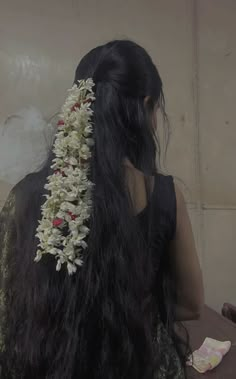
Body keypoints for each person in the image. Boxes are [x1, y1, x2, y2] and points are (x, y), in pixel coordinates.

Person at [0, 40, 204, 379]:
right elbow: (192, 303)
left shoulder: (26, 195)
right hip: (138, 364)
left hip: (48, 365)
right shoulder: (166, 196)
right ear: (146, 105)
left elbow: (11, 302)